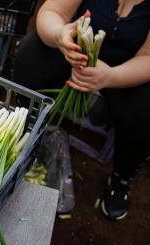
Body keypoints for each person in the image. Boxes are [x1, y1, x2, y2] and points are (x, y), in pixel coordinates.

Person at [13, 0, 150, 220]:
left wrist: (110, 77)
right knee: (31, 52)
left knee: (146, 108)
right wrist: (60, 35)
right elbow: (51, 12)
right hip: (74, 57)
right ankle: (26, 132)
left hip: (124, 73)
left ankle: (121, 177)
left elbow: (148, 57)